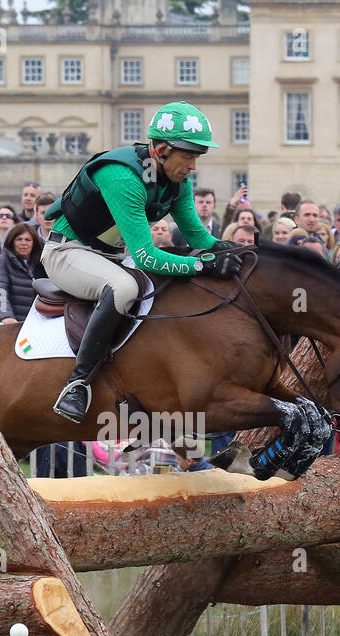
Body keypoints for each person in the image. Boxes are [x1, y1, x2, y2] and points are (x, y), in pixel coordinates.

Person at [41, 101, 241, 423]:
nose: (192, 166)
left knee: (165, 292)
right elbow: (147, 256)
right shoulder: (122, 176)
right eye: (187, 155)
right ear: (161, 149)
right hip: (68, 253)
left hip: (111, 257)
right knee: (122, 288)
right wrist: (202, 265)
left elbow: (200, 238)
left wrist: (233, 252)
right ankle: (77, 385)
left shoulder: (177, 182)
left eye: (196, 157)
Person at [0, 222, 43, 323]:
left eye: (28, 240)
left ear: (34, 243)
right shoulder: (2, 260)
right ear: (12, 241)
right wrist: (6, 316)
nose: (23, 243)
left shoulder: (41, 264)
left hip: (35, 324)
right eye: (19, 239)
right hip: (10, 324)